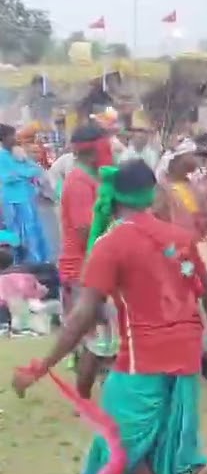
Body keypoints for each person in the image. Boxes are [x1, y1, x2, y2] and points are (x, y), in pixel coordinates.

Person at [11, 159, 207, 474]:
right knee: (170, 421)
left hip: (142, 353)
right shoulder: (179, 237)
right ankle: (196, 467)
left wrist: (41, 365)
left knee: (118, 437)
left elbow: (82, 316)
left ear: (111, 197)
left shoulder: (111, 244)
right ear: (152, 194)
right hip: (187, 346)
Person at [59, 124, 121, 398]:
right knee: (98, 338)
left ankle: (106, 391)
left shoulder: (94, 179)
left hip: (98, 265)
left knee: (104, 336)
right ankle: (82, 396)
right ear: (94, 150)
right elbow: (87, 230)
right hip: (83, 269)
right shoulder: (78, 183)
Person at [0, 124, 51, 263]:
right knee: (17, 233)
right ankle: (19, 263)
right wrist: (24, 174)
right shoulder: (1, 156)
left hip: (28, 197)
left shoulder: (19, 153)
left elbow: (36, 169)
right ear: (3, 138)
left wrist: (22, 172)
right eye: (12, 135)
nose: (15, 138)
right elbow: (6, 177)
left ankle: (38, 262)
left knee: (33, 230)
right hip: (13, 201)